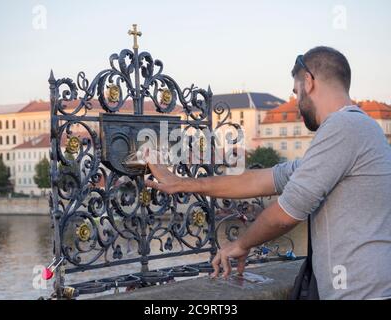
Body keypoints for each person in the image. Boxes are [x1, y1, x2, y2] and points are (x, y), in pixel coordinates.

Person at [144, 46, 391, 300]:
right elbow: (259, 180)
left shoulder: (343, 127)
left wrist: (241, 244)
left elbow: (285, 214)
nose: (296, 105)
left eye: (296, 93)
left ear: (309, 81)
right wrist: (181, 183)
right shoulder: (360, 128)